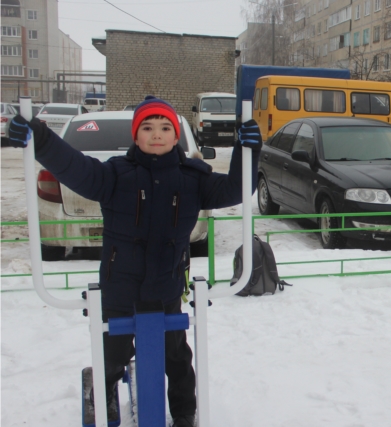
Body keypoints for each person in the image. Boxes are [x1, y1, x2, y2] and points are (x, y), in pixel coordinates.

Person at [7, 96, 262, 427]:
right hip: (119, 287)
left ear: (176, 136)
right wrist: (39, 137)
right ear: (136, 135)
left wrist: (248, 150)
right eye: (148, 127)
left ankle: (184, 412)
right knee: (112, 355)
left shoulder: (193, 178)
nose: (157, 134)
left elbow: (236, 189)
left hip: (167, 286)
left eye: (165, 127)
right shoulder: (115, 175)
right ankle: (103, 392)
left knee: (177, 358)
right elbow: (73, 166)